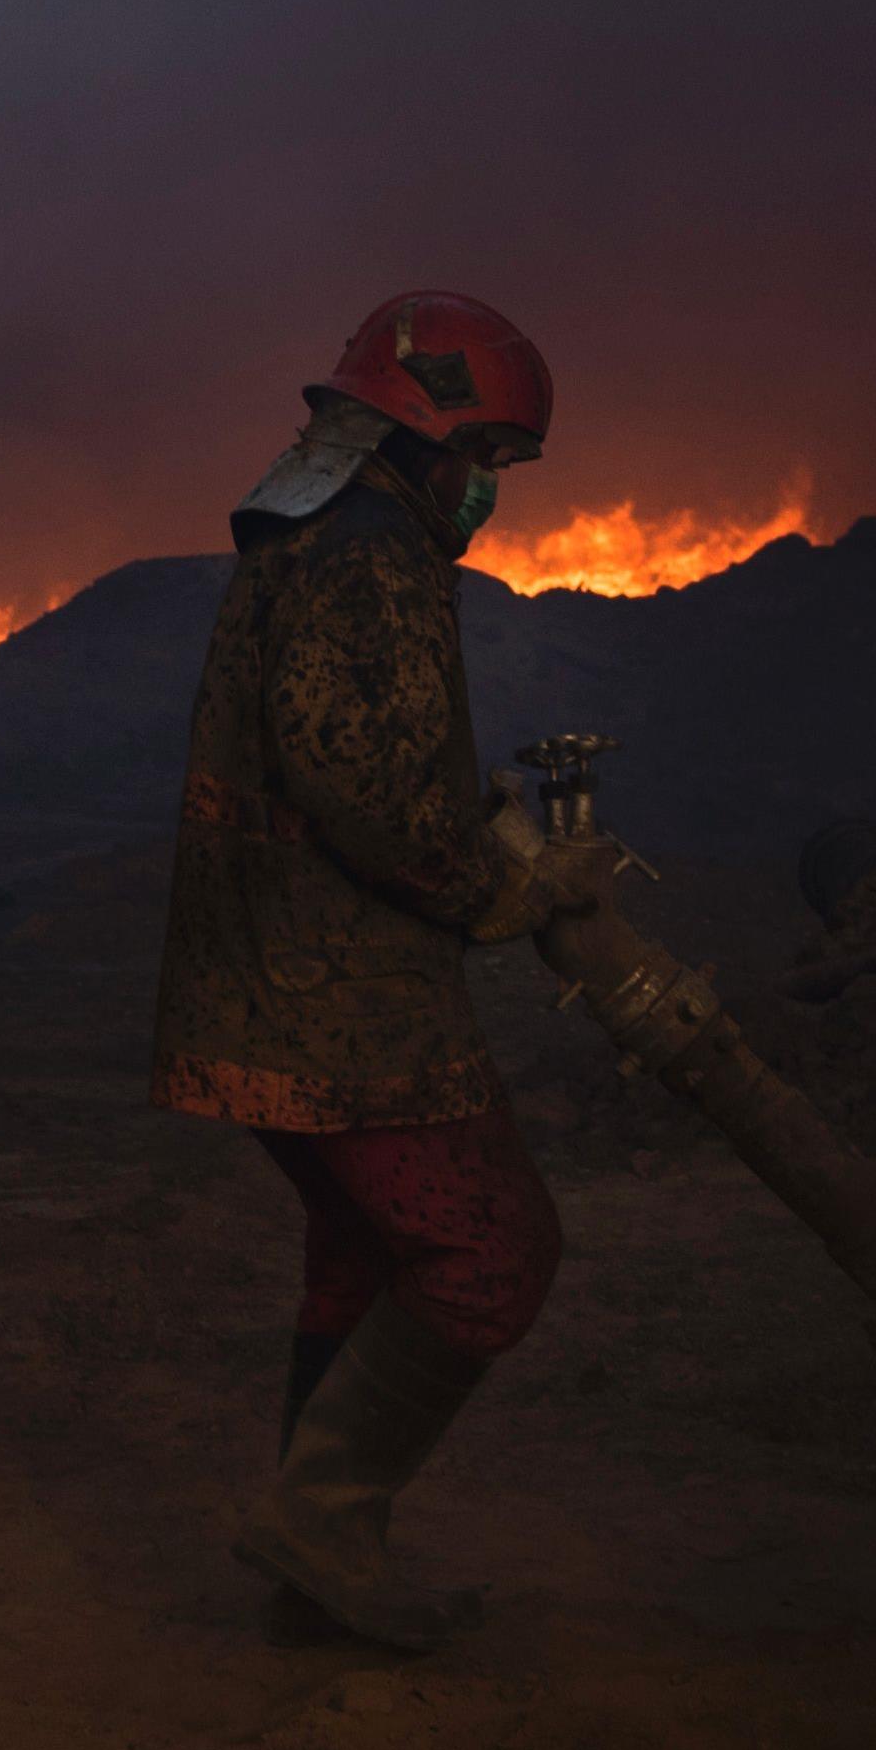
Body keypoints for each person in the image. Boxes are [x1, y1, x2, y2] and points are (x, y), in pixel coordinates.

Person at [152, 290, 627, 1651]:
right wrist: (502, 886)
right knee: (493, 1247)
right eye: (487, 457)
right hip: (336, 1000)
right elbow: (361, 781)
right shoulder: (367, 555)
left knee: (362, 1256)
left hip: (266, 980)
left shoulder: (316, 536)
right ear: (425, 427)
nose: (489, 490)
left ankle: (317, 1560)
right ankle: (321, 1524)